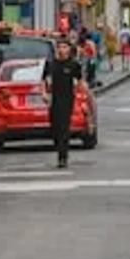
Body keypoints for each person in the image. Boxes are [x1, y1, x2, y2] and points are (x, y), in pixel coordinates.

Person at [46, 38, 84, 168]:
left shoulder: (74, 65)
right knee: (54, 127)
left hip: (67, 99)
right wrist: (43, 93)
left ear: (69, 49)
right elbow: (43, 80)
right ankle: (59, 146)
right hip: (53, 99)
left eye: (64, 47)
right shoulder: (51, 64)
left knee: (64, 127)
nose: (61, 49)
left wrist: (81, 96)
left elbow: (80, 82)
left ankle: (63, 157)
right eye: (59, 47)